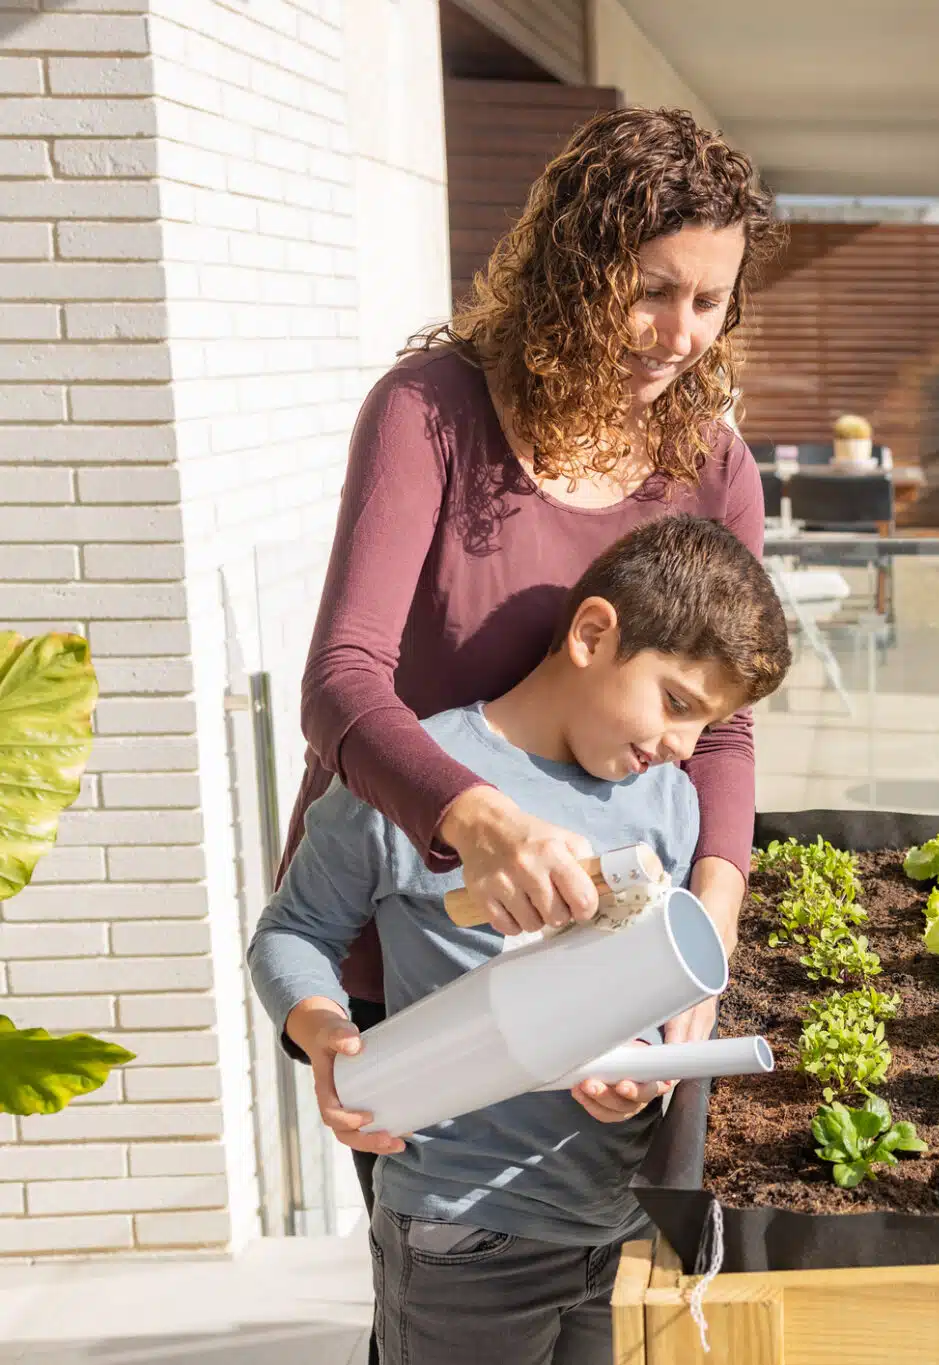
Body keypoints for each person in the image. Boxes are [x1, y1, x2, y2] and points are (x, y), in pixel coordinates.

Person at [282, 106, 778, 1230]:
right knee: (442, 1257)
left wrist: (706, 927)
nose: (681, 333)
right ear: (576, 266)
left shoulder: (711, 466)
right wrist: (483, 823)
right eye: (653, 290)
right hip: (414, 927)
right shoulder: (432, 413)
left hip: (605, 955)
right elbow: (342, 680)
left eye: (709, 301)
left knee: (573, 1266)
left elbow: (729, 732)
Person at [250, 514, 791, 1364]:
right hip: (462, 1235)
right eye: (677, 702)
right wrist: (322, 1031)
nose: (681, 745)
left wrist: (640, 1063)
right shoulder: (419, 778)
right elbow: (292, 930)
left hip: (617, 1233)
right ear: (591, 632)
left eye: (703, 724)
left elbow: (643, 984)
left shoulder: (670, 804)